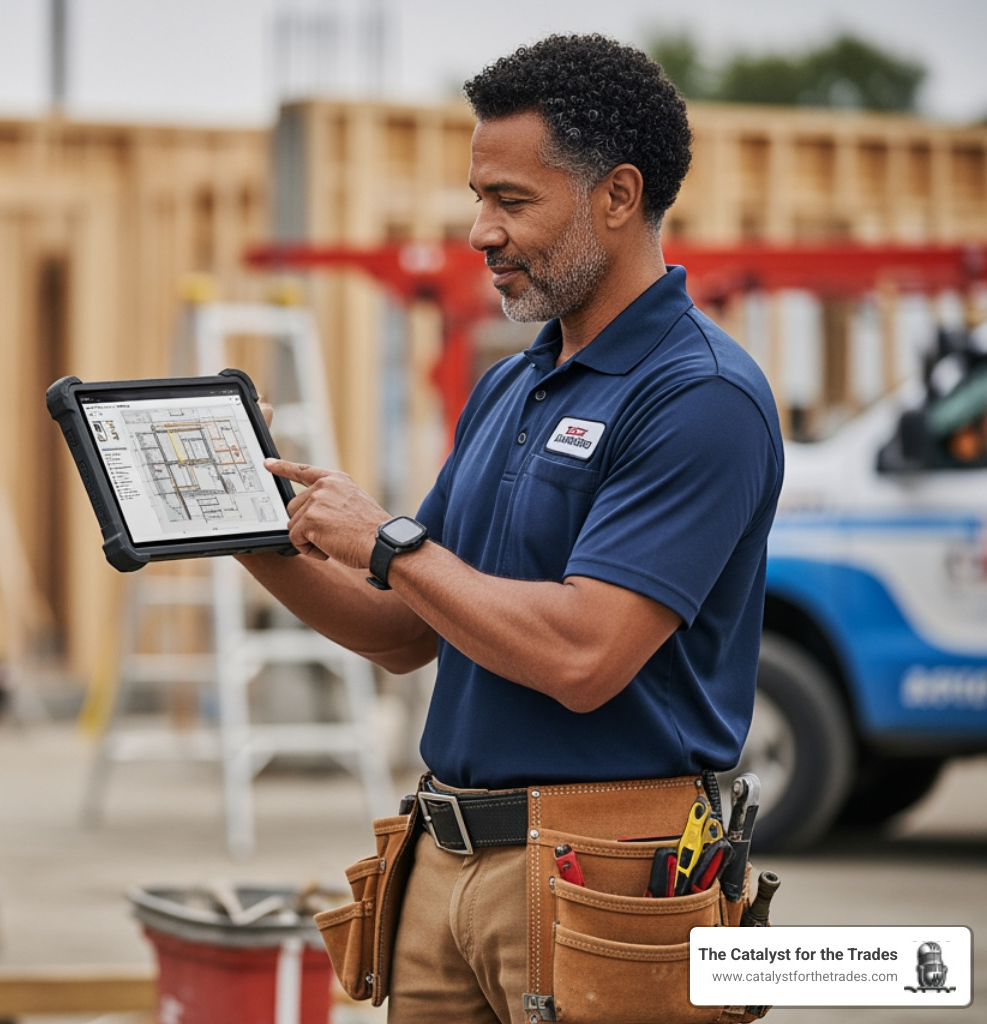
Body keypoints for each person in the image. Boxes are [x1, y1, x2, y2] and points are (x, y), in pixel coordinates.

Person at [239, 35, 784, 1021]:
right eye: (478, 198)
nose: (481, 231)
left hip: (604, 877)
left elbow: (586, 654)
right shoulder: (513, 383)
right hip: (443, 860)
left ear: (617, 197)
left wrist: (392, 542)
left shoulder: (700, 396)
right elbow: (407, 631)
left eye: (513, 201)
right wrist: (251, 531)